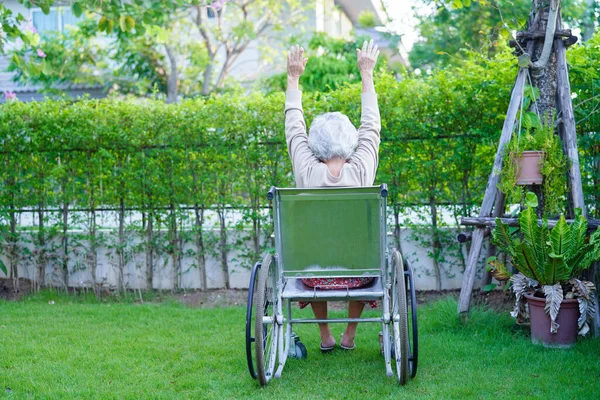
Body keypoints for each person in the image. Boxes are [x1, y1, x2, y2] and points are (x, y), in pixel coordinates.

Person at [284, 40, 381, 351]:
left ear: (314, 144)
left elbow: (293, 128)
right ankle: (349, 335)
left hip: (314, 274)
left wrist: (293, 77)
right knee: (354, 254)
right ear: (351, 140)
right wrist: (366, 73)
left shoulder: (306, 172)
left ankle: (325, 336)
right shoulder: (362, 169)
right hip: (360, 273)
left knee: (316, 261)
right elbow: (372, 126)